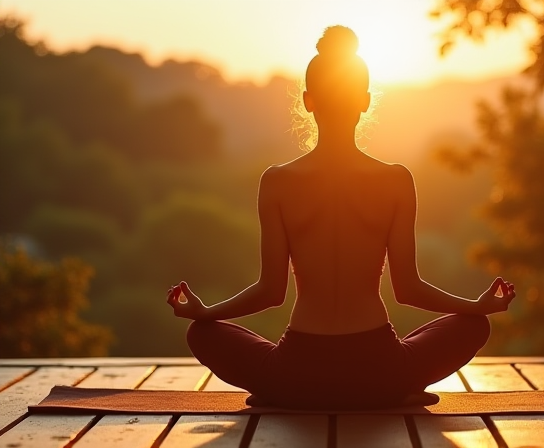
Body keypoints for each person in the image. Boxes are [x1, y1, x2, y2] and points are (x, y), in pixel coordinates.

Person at [166, 25, 516, 410]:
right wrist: (476, 306)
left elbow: (270, 291)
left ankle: (283, 392)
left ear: (308, 101)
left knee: (202, 334)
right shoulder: (396, 180)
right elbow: (409, 289)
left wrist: (207, 313)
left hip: (296, 371)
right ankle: (393, 391)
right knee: (473, 326)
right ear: (365, 101)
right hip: (381, 370)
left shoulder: (277, 182)